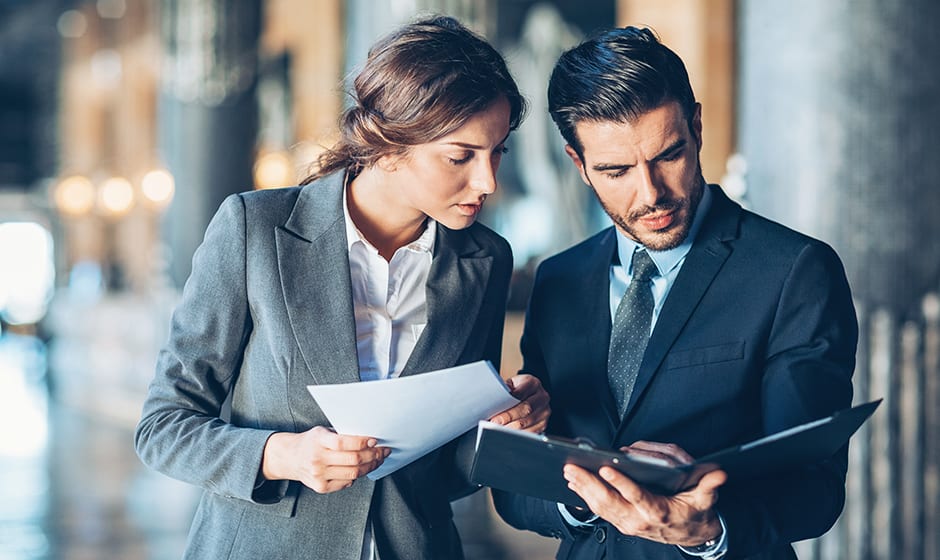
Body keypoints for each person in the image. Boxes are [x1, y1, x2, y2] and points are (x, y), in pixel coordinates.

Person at [135, 16, 550, 560]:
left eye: (497, 151)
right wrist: (279, 455)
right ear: (389, 143)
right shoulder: (253, 230)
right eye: (460, 156)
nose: (487, 182)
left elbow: (448, 473)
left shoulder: (485, 258)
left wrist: (508, 431)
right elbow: (163, 428)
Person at [493, 26, 858, 560]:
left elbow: (814, 488)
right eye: (615, 170)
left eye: (668, 155)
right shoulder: (559, 279)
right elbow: (517, 491)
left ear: (697, 127)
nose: (651, 194)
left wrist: (706, 528)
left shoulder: (795, 271)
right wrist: (585, 500)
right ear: (579, 165)